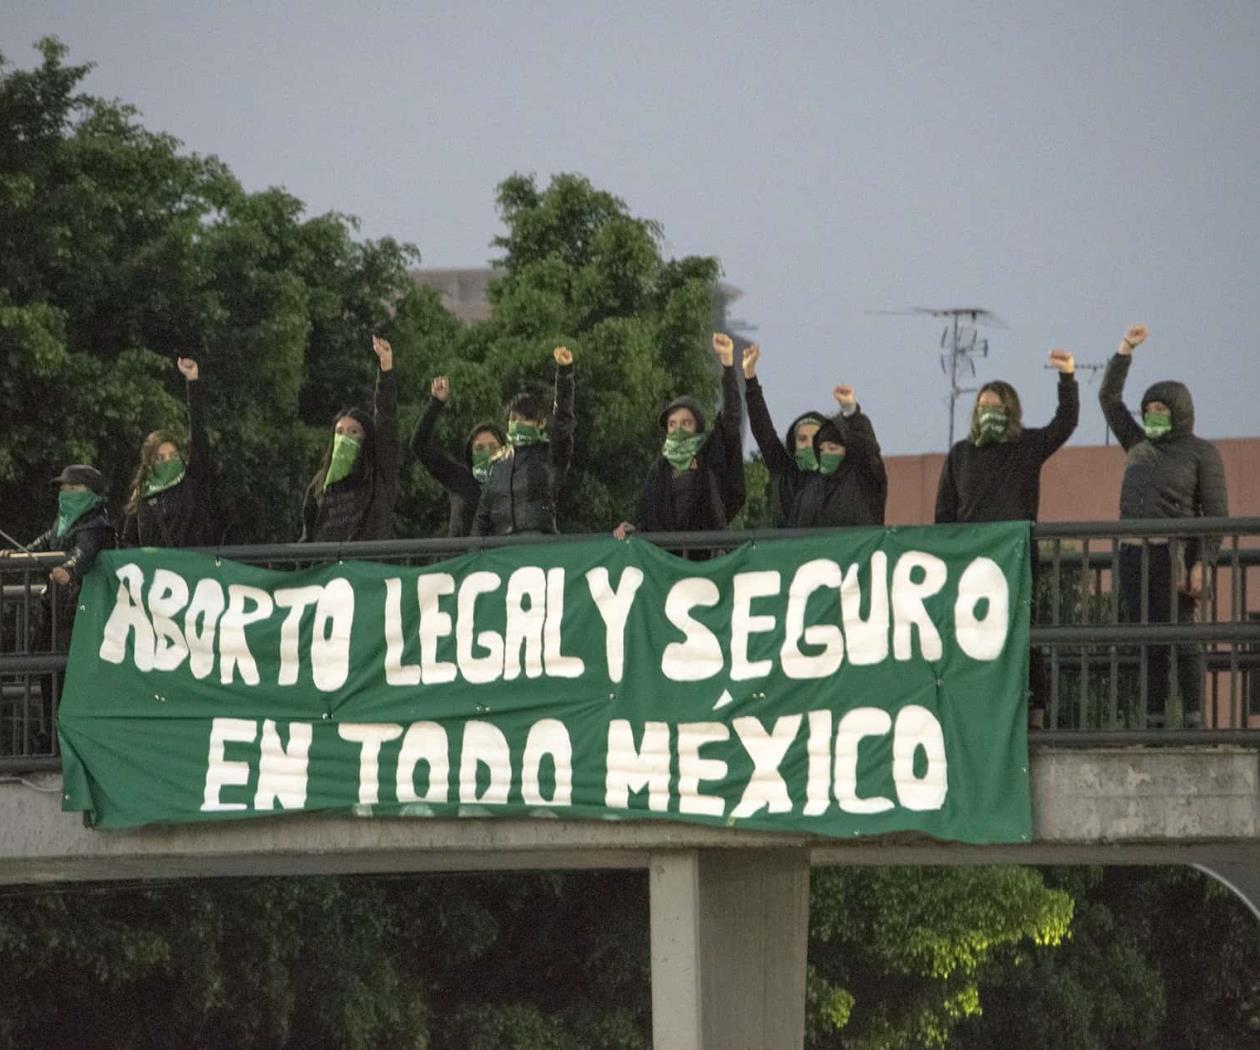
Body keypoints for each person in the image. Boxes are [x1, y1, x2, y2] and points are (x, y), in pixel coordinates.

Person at [935, 349, 1080, 728]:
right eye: (982, 407)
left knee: (1021, 633)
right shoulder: (961, 455)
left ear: (1010, 412)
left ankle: (1034, 711)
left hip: (1015, 561)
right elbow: (944, 516)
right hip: (971, 566)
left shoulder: (1026, 447)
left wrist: (1067, 378)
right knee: (973, 636)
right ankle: (977, 708)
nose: (988, 413)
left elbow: (1065, 423)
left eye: (996, 408)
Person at [1099, 323, 1229, 728]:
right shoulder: (1138, 445)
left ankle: (1193, 719)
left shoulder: (1200, 453)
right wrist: (1124, 350)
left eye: (1161, 411)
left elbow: (1217, 514)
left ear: (1178, 413)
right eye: (1149, 411)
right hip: (1134, 554)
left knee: (1184, 639)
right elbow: (1109, 399)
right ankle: (1153, 720)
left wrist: (1201, 561)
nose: (1153, 417)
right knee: (1149, 642)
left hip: (1175, 556)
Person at [0, 465, 116, 749]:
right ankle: (50, 735)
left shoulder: (95, 525)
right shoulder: (63, 522)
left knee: (68, 676)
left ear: (90, 493)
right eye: (63, 489)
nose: (65, 494)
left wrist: (70, 568)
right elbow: (43, 545)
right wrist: (16, 554)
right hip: (57, 612)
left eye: (73, 488)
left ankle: (66, 741)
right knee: (48, 676)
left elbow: (85, 551)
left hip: (80, 614)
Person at [613, 332, 745, 543]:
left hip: (706, 560)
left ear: (698, 428)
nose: (678, 429)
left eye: (686, 423)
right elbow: (646, 517)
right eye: (672, 424)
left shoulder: (710, 456)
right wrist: (630, 526)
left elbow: (731, 417)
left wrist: (728, 364)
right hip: (668, 564)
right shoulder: (659, 470)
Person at [742, 344, 886, 528]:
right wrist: (750, 375)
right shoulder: (789, 476)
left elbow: (868, 451)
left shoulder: (851, 477)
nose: (810, 444)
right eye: (802, 439)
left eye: (817, 439)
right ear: (793, 446)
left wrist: (851, 411)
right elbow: (764, 433)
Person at [300, 335, 399, 543]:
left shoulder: (378, 475)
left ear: (366, 439)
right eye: (340, 432)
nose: (345, 438)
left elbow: (386, 421)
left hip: (367, 571)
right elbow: (307, 535)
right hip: (328, 573)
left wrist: (386, 368)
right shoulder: (319, 484)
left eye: (354, 432)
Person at [472, 347, 575, 537]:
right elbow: (482, 518)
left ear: (540, 423)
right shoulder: (497, 464)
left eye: (523, 419)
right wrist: (473, 557)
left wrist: (565, 374)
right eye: (512, 420)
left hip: (537, 547)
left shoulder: (550, 455)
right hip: (501, 552)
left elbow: (563, 422)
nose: (516, 424)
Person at [121, 355, 220, 547]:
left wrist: (192, 381)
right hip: (156, 575)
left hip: (191, 572)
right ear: (149, 464)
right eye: (160, 458)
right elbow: (127, 541)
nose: (168, 461)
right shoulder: (142, 495)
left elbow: (199, 439)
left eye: (173, 456)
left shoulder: (191, 482)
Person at [410, 375, 506, 537]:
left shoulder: (515, 481)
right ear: (470, 452)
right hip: (462, 560)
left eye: (493, 447)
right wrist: (436, 403)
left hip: (499, 560)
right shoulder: (459, 478)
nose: (487, 453)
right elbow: (419, 446)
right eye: (480, 448)